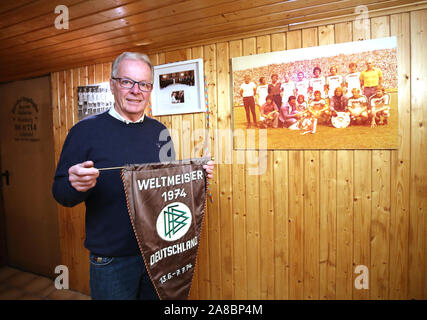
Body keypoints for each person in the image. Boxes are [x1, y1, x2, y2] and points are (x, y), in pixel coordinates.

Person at [52, 52, 215, 300]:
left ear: (150, 89)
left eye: (144, 84)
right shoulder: (84, 131)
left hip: (159, 251)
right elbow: (61, 193)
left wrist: (195, 178)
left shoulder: (160, 131)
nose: (136, 90)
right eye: (127, 81)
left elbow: (166, 187)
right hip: (112, 259)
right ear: (113, 84)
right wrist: (75, 185)